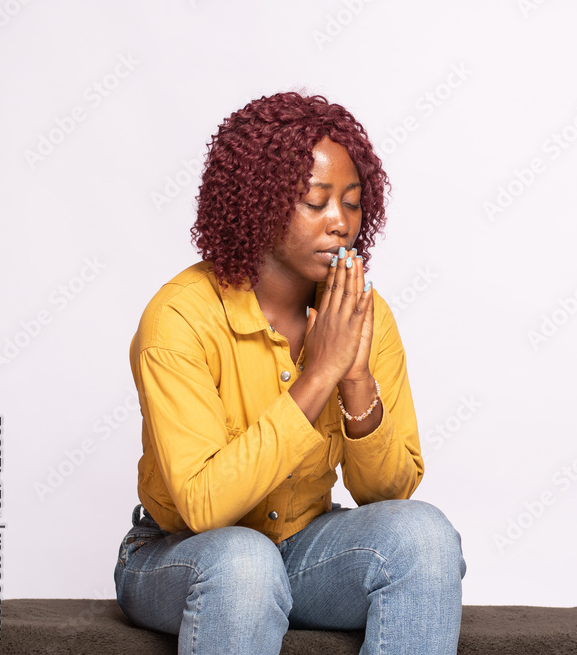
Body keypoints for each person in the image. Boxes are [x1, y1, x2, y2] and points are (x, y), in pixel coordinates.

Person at [112, 91, 466, 654]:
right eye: (316, 202)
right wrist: (318, 374)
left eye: (352, 204)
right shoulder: (180, 317)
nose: (340, 223)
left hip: (304, 549)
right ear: (257, 203)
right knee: (245, 562)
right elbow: (204, 507)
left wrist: (354, 379)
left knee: (423, 536)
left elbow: (389, 492)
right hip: (180, 556)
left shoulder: (361, 314)